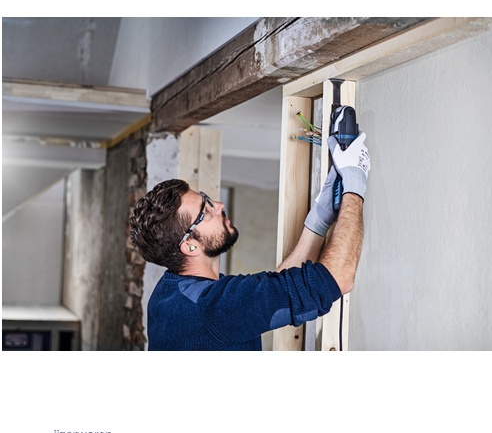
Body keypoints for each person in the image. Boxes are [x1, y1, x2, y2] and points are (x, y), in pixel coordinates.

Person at [129, 132, 371, 350]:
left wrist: (317, 222)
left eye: (206, 199)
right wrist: (354, 185)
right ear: (189, 245)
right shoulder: (214, 307)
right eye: (205, 212)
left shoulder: (168, 294)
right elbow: (338, 277)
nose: (218, 206)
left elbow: (275, 290)